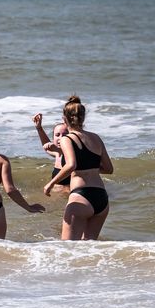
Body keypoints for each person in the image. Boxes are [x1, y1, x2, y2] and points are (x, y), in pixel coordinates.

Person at [43, 95, 113, 240]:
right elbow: (108, 169)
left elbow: (71, 165)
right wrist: (89, 167)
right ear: (83, 118)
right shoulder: (96, 138)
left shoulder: (66, 139)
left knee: (67, 248)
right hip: (102, 198)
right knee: (88, 248)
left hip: (81, 196)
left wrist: (51, 183)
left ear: (64, 119)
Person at [32, 113, 70, 193]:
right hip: (57, 195)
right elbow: (46, 147)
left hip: (67, 196)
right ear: (53, 138)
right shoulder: (57, 154)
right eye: (57, 135)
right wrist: (39, 128)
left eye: (65, 135)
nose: (61, 138)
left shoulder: (72, 156)